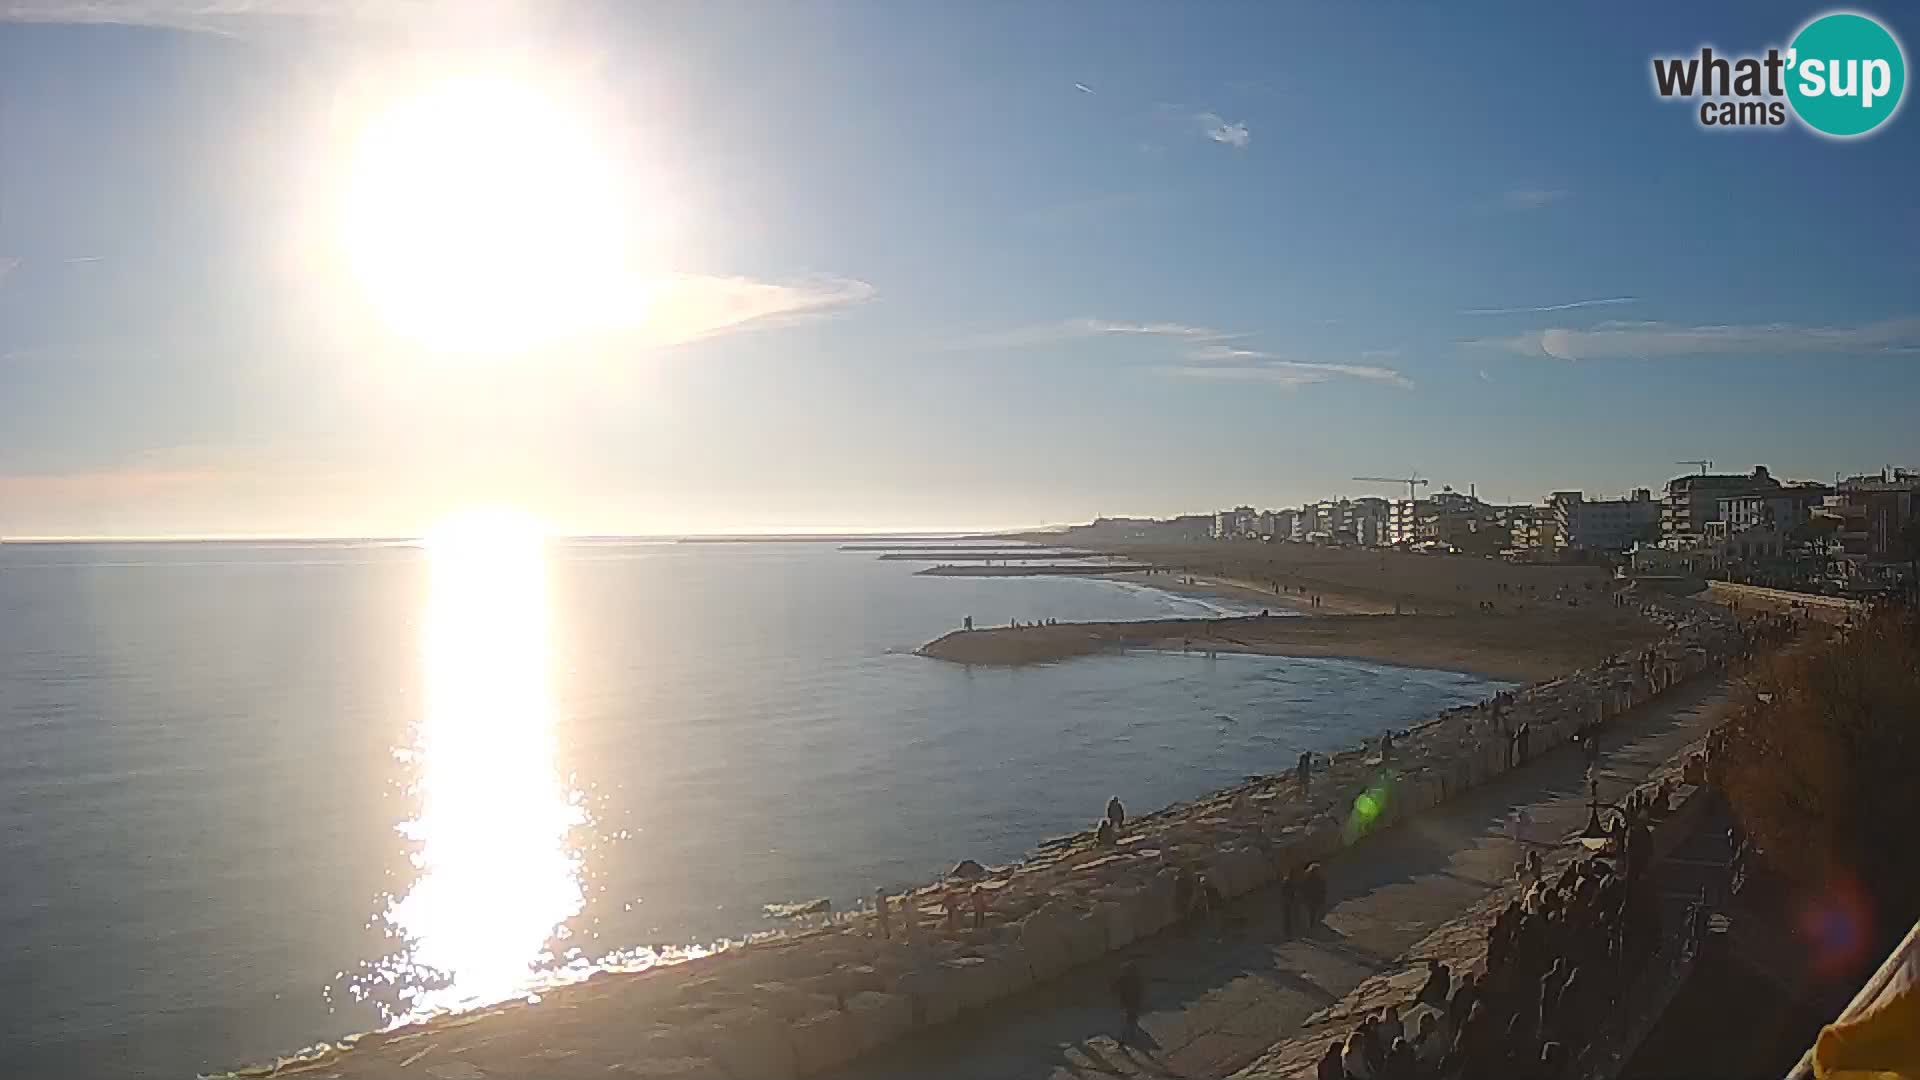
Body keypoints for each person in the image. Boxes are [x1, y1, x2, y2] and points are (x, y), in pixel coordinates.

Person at [1112, 961, 1144, 1043]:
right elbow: (1140, 990)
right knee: (1132, 1018)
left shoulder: (1122, 979)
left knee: (1128, 1019)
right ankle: (1131, 1033)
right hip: (1134, 1002)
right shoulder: (1136, 978)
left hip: (1127, 1002)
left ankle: (1127, 1035)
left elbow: (1115, 988)